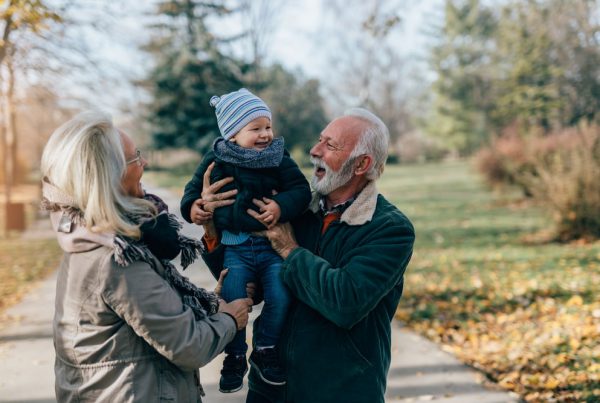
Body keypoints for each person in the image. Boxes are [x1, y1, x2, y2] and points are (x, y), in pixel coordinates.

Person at [198, 108, 415, 403]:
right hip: (269, 387)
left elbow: (345, 302)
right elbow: (253, 280)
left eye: (330, 145)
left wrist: (289, 250)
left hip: (340, 391)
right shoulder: (295, 210)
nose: (315, 151)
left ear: (362, 163)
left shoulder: (389, 228)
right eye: (319, 140)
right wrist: (212, 226)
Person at [40, 110, 253, 402]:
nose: (145, 162)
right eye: (135, 158)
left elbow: (152, 315)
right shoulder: (115, 259)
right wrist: (230, 319)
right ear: (108, 176)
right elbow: (189, 345)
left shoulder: (90, 237)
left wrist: (208, 303)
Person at [180, 88, 312, 393]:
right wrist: (195, 208)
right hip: (235, 249)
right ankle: (235, 354)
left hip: (270, 248)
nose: (265, 134)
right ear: (232, 134)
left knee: (280, 296)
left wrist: (281, 207)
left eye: (268, 126)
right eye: (255, 129)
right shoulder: (217, 158)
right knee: (233, 299)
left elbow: (300, 190)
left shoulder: (277, 157)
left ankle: (265, 348)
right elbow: (192, 192)